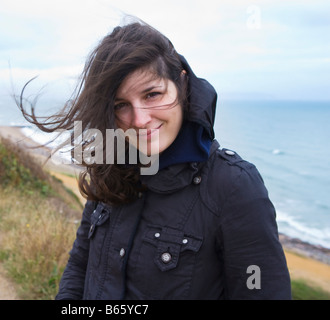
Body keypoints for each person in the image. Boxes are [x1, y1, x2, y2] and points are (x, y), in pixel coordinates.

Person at [19, 19, 291, 299]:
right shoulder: (110, 166)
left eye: (152, 94)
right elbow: (80, 265)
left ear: (182, 83)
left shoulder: (234, 186)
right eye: (121, 105)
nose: (139, 120)